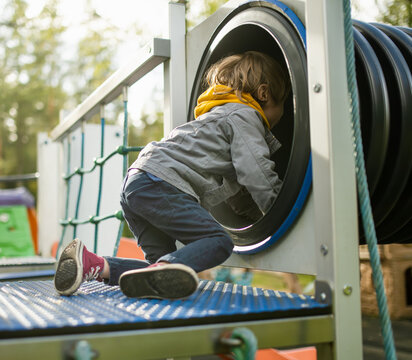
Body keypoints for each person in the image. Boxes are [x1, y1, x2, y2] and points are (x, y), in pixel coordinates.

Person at [54, 51, 290, 300]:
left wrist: (255, 216)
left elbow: (238, 191)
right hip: (161, 184)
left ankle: (95, 264)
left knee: (161, 270)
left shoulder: (215, 118)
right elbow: (256, 172)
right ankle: (162, 268)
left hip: (137, 183)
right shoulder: (245, 116)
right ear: (264, 94)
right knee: (218, 241)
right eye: (282, 105)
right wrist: (281, 212)